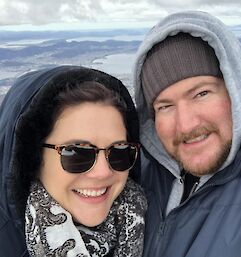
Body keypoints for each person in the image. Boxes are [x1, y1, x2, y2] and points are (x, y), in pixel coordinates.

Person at [133, 10, 241, 257]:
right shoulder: (139, 176)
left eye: (201, 94)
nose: (186, 125)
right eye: (165, 106)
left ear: (236, 88)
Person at [0, 66, 147, 257]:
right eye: (77, 153)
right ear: (33, 159)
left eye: (119, 151)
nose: (103, 172)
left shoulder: (145, 219)